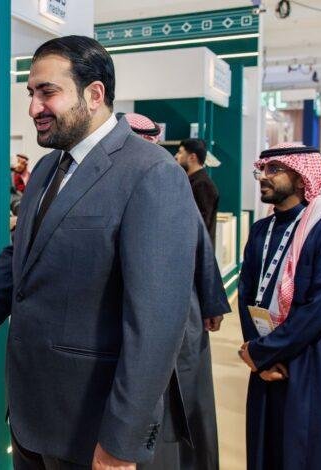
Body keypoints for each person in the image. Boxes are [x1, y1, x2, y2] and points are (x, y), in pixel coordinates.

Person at [0, 35, 202, 469]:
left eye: (47, 92)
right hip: (30, 418)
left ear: (94, 94)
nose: (34, 107)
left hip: (93, 433)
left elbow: (156, 327)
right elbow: (18, 259)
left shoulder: (152, 173)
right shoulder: (46, 169)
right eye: (31, 93)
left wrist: (122, 443)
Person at [237, 143, 321, 470]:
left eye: (273, 169)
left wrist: (264, 352)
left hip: (315, 362)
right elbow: (247, 295)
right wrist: (258, 354)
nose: (263, 177)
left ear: (300, 177)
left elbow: (319, 310)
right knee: (267, 448)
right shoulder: (261, 230)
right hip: (268, 363)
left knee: (311, 452)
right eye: (261, 170)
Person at [124, 112, 229, 470]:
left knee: (178, 399)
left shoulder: (167, 177)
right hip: (132, 309)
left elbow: (200, 242)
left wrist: (211, 302)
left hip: (179, 309)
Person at [176, 139, 219, 244]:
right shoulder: (192, 181)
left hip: (195, 249)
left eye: (180, 152)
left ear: (192, 157)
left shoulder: (202, 184)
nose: (176, 156)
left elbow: (200, 223)